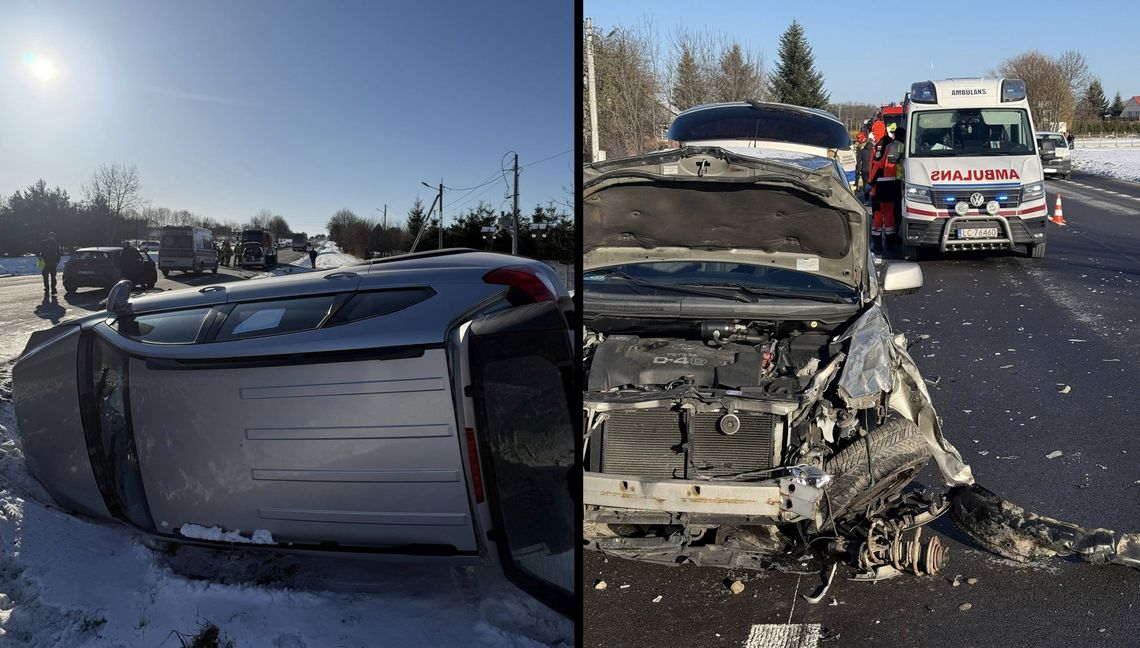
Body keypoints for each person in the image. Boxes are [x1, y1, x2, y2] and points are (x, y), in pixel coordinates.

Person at [855, 132, 873, 204]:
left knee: (865, 184)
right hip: (872, 169)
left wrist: (858, 170)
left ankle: (866, 200)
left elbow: (858, 162)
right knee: (874, 184)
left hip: (864, 169)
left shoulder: (861, 151)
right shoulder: (873, 150)